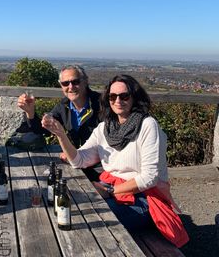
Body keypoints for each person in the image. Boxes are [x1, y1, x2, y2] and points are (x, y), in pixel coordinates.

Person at [42, 74, 189, 248]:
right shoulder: (105, 127)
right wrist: (61, 135)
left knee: (92, 219)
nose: (118, 100)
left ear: (135, 98)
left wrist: (111, 191)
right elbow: (79, 160)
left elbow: (150, 177)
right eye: (112, 96)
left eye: (124, 96)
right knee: (66, 209)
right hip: (114, 190)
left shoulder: (148, 125)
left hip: (143, 197)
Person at [17, 64, 101, 180]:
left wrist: (76, 155)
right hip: (76, 166)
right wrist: (30, 112)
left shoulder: (102, 105)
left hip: (99, 170)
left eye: (75, 81)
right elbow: (43, 130)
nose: (70, 87)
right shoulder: (63, 106)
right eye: (65, 83)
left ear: (85, 82)